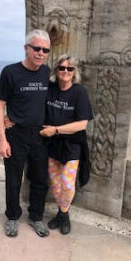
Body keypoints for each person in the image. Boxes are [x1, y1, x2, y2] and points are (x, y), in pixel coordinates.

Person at [0, 29, 51, 237]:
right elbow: (0, 105)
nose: (41, 53)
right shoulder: (10, 72)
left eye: (45, 50)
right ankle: (12, 216)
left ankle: (36, 216)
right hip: (16, 134)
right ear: (26, 48)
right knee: (13, 179)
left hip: (40, 136)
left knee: (40, 180)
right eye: (36, 48)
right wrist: (2, 139)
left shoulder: (46, 72)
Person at [39, 54, 93, 235]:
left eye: (70, 69)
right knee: (55, 184)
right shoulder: (50, 89)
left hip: (72, 145)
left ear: (74, 72)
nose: (65, 71)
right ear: (56, 70)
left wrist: (55, 129)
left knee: (67, 184)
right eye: (62, 68)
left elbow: (82, 124)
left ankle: (63, 214)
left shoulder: (79, 92)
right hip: (51, 146)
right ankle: (63, 213)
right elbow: (31, 103)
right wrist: (11, 116)